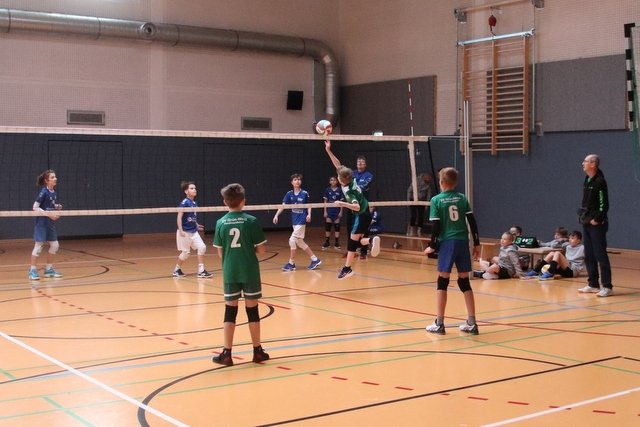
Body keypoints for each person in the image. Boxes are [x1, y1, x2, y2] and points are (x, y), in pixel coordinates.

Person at [212, 183, 269, 366]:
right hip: (249, 270)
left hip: (230, 271)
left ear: (224, 202)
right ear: (243, 201)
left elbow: (220, 253)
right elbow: (261, 250)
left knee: (230, 312)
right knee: (252, 311)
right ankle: (257, 351)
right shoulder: (251, 221)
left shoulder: (220, 223)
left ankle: (226, 354)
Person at [423, 167, 480, 335]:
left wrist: (432, 245)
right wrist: (476, 243)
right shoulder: (462, 198)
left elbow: (436, 225)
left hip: (447, 242)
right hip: (462, 241)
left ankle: (439, 323)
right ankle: (472, 322)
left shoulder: (436, 200)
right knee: (464, 281)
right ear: (455, 182)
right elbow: (472, 222)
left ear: (441, 182)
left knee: (442, 280)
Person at [324, 139, 381, 279]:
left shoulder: (348, 191)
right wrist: (328, 150)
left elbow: (356, 206)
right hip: (366, 212)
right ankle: (371, 241)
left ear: (341, 180)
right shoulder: (352, 178)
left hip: (360, 214)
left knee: (352, 242)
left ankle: (347, 269)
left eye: (338, 176)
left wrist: (342, 203)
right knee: (356, 240)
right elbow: (338, 164)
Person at [578, 154, 612, 297]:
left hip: (597, 223)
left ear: (593, 164)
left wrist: (597, 219)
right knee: (589, 254)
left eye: (585, 161)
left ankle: (607, 286)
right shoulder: (587, 179)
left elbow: (604, 204)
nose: (583, 163)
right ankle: (593, 284)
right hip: (587, 221)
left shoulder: (600, 181)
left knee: (600, 254)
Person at [273, 173, 321, 271]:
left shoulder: (304, 193)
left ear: (301, 182)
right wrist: (276, 215)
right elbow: (283, 205)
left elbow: (309, 205)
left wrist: (309, 214)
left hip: (301, 220)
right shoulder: (289, 194)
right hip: (294, 220)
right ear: (292, 182)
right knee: (300, 242)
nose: (297, 181)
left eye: (299, 179)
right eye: (295, 179)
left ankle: (291, 263)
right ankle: (315, 259)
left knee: (292, 240)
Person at [172, 181, 212, 278]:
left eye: (195, 188)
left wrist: (196, 225)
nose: (194, 190)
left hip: (193, 231)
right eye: (191, 188)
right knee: (186, 253)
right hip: (184, 231)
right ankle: (176, 270)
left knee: (202, 247)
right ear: (186, 191)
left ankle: (201, 270)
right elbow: (179, 217)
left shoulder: (194, 203)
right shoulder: (185, 202)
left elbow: (192, 217)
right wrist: (181, 230)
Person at [29, 170, 63, 280]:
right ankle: (32, 271)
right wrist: (49, 214)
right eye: (52, 177)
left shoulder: (54, 192)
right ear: (46, 181)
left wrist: (57, 207)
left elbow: (49, 206)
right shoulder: (44, 192)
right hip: (42, 223)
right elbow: (35, 207)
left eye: (55, 177)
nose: (55, 178)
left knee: (55, 245)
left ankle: (49, 269)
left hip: (50, 223)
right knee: (38, 246)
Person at [349, 155, 374, 259]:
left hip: (363, 205)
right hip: (352, 204)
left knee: (364, 229)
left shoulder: (369, 175)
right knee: (351, 228)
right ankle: (351, 251)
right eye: (358, 162)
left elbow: (363, 187)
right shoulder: (352, 173)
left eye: (362, 162)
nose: (360, 163)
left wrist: (353, 189)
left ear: (365, 164)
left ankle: (363, 252)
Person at [322, 175, 344, 250]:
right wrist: (325, 211)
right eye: (331, 180)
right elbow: (325, 201)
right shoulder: (327, 190)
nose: (333, 181)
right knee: (328, 226)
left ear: (337, 181)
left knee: (337, 226)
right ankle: (327, 241)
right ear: (329, 182)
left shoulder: (340, 190)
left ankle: (337, 242)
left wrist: (341, 211)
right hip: (329, 210)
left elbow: (341, 202)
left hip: (337, 210)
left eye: (334, 180)